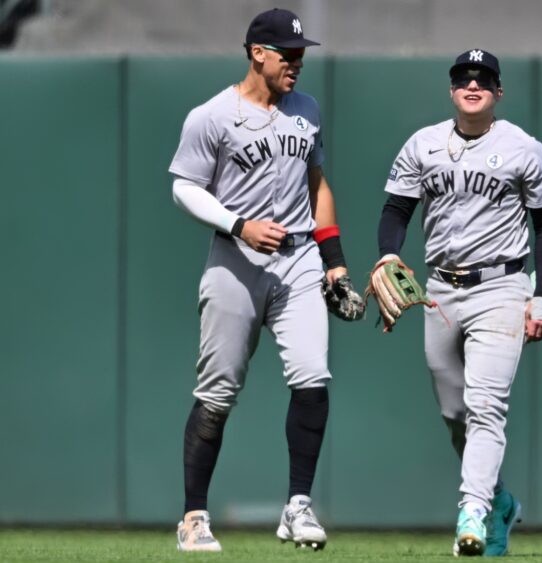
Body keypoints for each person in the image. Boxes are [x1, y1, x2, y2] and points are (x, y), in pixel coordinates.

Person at [168, 8, 358, 552]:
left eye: (302, 55)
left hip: (299, 259)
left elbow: (317, 183)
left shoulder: (307, 109)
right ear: (257, 53)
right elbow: (184, 187)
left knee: (313, 377)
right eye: (288, 55)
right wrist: (238, 224)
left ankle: (298, 504)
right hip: (235, 259)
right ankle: (193, 517)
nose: (298, 64)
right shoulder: (212, 115)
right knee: (217, 391)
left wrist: (335, 260)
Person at [374, 48, 542, 556]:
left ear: (498, 91)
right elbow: (396, 209)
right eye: (463, 78)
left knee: (485, 405)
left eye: (484, 79)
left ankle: (472, 513)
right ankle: (499, 500)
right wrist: (388, 257)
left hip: (502, 287)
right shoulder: (424, 144)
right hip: (440, 289)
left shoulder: (524, 148)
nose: (473, 85)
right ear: (452, 89)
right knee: (454, 412)